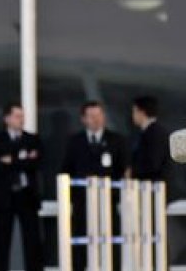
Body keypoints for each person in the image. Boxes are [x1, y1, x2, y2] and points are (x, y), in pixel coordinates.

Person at [60, 101, 128, 270]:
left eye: (99, 115)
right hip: (82, 204)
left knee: (111, 248)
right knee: (80, 250)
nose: (96, 119)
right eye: (91, 116)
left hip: (108, 203)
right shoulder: (75, 142)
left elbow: (124, 171)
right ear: (83, 119)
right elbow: (66, 170)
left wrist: (117, 196)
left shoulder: (116, 140)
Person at [0, 103, 44, 271]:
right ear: (7, 119)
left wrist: (11, 160)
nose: (22, 119)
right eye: (17, 116)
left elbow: (37, 163)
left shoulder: (32, 139)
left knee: (32, 242)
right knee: (2, 242)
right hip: (5, 197)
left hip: (27, 196)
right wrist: (23, 159)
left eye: (22, 116)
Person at [129, 96, 170, 183]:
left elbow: (153, 163)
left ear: (141, 112)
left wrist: (132, 171)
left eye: (134, 111)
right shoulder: (147, 132)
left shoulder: (155, 133)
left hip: (154, 185)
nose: (133, 116)